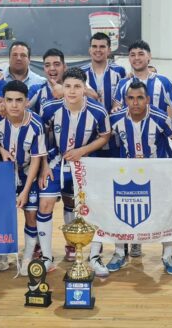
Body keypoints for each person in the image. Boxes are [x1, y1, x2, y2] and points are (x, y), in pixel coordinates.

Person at [105, 81, 172, 275]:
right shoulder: (115, 118)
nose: (135, 102)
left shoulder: (160, 118)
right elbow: (103, 140)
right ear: (125, 100)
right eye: (131, 98)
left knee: (165, 213)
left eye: (140, 97)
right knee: (121, 213)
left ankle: (168, 254)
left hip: (158, 173)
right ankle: (118, 253)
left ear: (148, 99)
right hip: (127, 174)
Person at [37, 68, 111, 274]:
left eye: (77, 86)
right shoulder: (50, 108)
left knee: (91, 206)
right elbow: (40, 138)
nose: (71, 91)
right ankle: (46, 257)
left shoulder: (98, 111)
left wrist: (82, 151)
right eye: (68, 86)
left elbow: (105, 135)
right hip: (55, 161)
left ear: (84, 89)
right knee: (45, 203)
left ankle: (95, 257)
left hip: (85, 163)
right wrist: (43, 166)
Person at [0, 80, 47, 277]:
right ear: (3, 101)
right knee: (3, 217)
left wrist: (25, 191)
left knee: (31, 216)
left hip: (27, 174)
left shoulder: (36, 124)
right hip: (4, 177)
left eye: (19, 100)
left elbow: (37, 161)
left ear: (27, 102)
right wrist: (2, 149)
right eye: (9, 100)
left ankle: (28, 257)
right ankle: (2, 260)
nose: (14, 105)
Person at [82, 32, 127, 158]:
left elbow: (125, 99)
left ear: (109, 50)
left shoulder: (119, 71)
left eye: (102, 46)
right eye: (94, 46)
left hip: (115, 136)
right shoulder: (81, 73)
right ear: (89, 50)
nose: (98, 50)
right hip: (88, 137)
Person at [114, 40, 172, 117]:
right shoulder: (122, 83)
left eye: (141, 54)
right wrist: (116, 109)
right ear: (129, 58)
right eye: (133, 55)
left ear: (149, 56)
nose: (136, 58)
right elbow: (116, 108)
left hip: (158, 128)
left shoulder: (164, 82)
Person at [28, 48, 66, 115]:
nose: (52, 68)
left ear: (64, 67)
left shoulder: (75, 88)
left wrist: (65, 93)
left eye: (56, 64)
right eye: (47, 65)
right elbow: (19, 108)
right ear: (44, 69)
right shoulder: (36, 90)